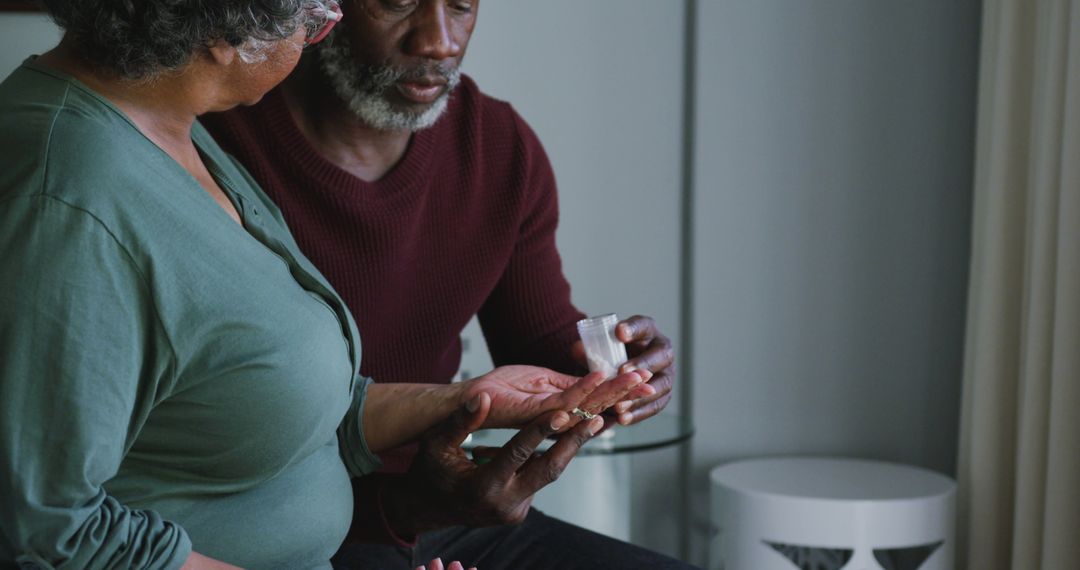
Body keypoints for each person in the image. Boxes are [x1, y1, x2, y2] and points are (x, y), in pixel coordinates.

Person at [0, 1, 652, 568]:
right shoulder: (71, 197)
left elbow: (271, 392)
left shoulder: (171, 132)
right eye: (312, 16)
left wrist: (461, 399)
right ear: (226, 29)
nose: (319, 32)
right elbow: (44, 525)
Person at [201, 1, 688, 568]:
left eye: (460, 4)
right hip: (270, 525)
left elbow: (539, 344)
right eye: (397, 2)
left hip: (445, 506)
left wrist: (612, 373)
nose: (439, 41)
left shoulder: (497, 148)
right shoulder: (216, 140)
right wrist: (403, 507)